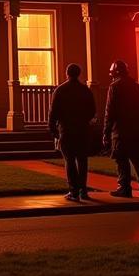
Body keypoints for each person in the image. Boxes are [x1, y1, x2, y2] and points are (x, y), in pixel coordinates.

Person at [102, 59, 139, 198]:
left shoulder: (115, 87)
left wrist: (106, 131)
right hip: (136, 129)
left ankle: (124, 187)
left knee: (121, 159)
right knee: (137, 158)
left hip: (120, 130)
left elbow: (109, 111)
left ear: (115, 73)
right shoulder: (136, 86)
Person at [48, 63, 96, 201]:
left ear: (67, 73)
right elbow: (92, 110)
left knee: (69, 160)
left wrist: (52, 128)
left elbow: (53, 111)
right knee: (82, 160)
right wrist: (84, 120)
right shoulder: (85, 90)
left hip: (66, 130)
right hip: (82, 130)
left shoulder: (61, 90)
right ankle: (83, 190)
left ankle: (73, 190)